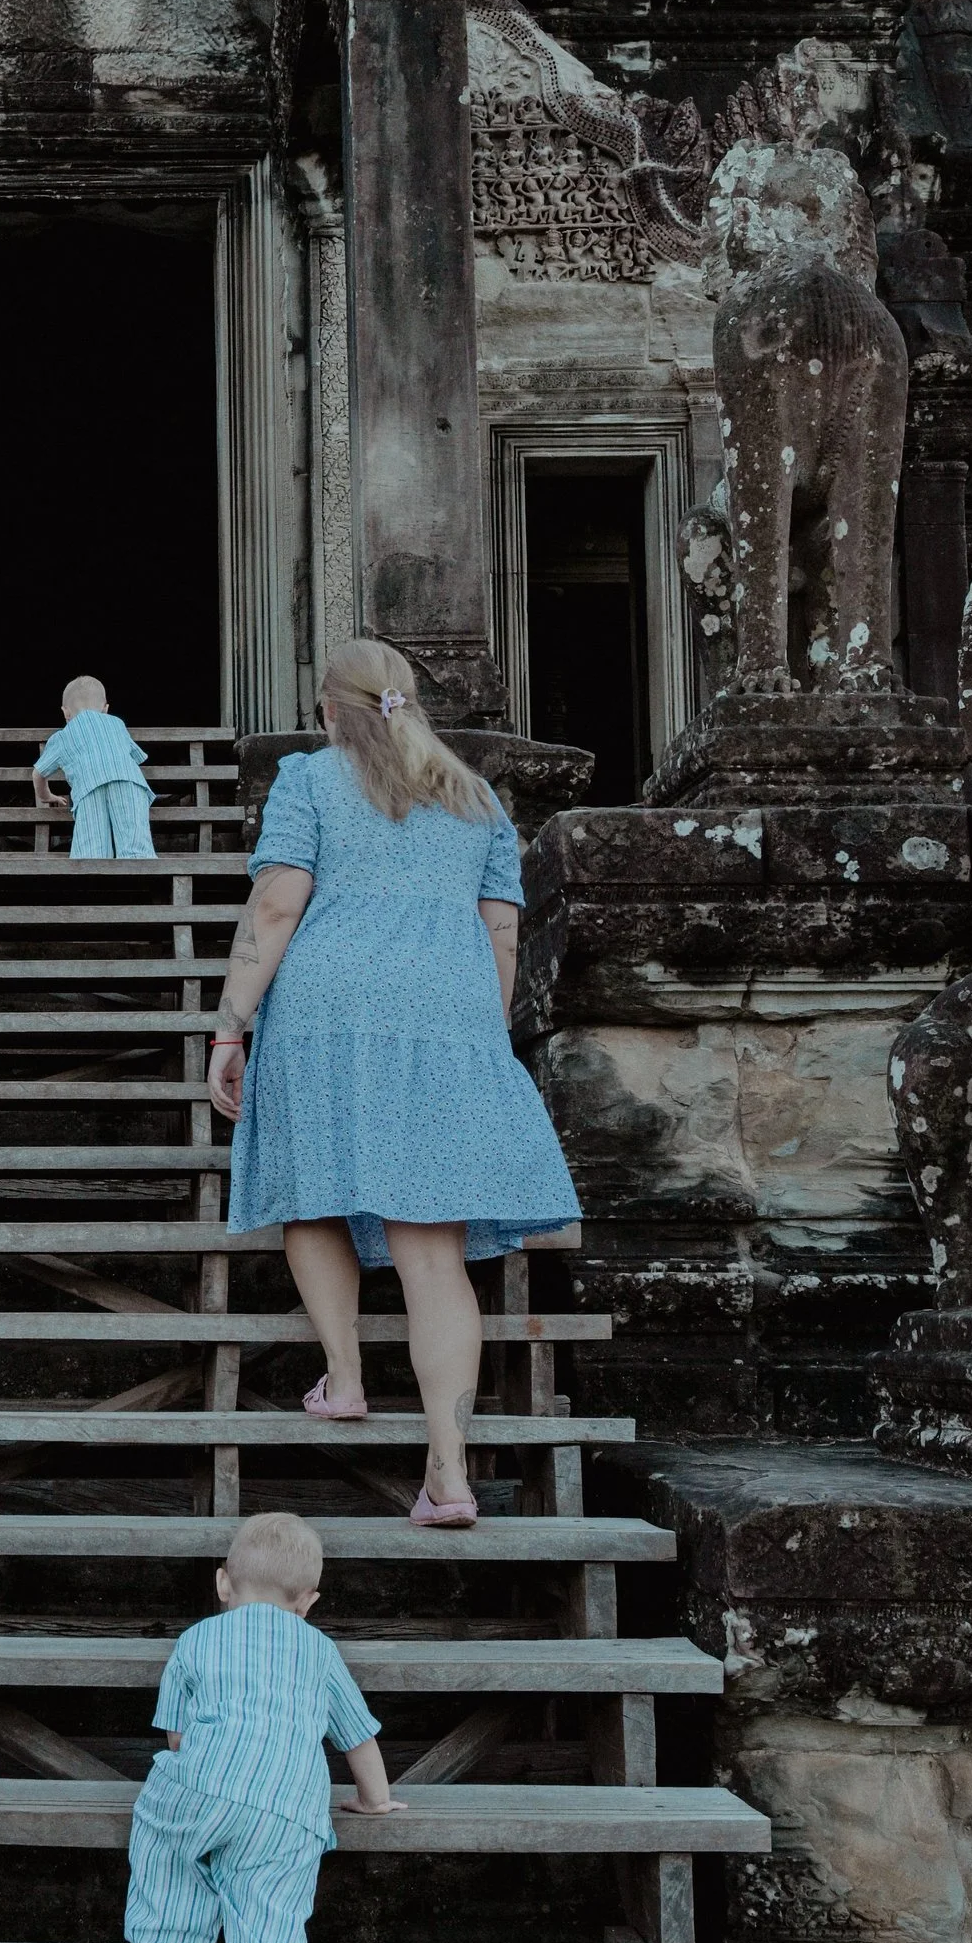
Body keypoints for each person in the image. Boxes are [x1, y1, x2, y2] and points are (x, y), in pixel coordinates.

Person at [208, 635, 580, 1526]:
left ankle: (344, 1376)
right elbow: (501, 937)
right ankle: (448, 1472)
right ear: (410, 702)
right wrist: (482, 1037)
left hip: (326, 1015)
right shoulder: (478, 798)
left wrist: (230, 1022)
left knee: (313, 1196)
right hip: (445, 1020)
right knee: (433, 1251)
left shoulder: (308, 780)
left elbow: (275, 905)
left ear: (329, 711)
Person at [125, 1508, 403, 1943]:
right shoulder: (321, 1650)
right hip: (288, 1811)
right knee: (275, 1933)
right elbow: (358, 1737)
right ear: (308, 1601)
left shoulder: (196, 1640)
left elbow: (176, 1735)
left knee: (164, 1827)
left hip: (207, 1784)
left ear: (224, 1584)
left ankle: (165, 1935)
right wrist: (374, 1801)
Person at [32, 676, 156, 859]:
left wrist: (46, 796)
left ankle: (94, 883)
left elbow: (38, 774)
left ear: (65, 712)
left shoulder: (63, 736)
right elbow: (135, 757)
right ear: (105, 709)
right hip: (129, 782)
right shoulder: (117, 724)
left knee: (91, 851)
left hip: (89, 787)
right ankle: (141, 879)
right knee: (135, 846)